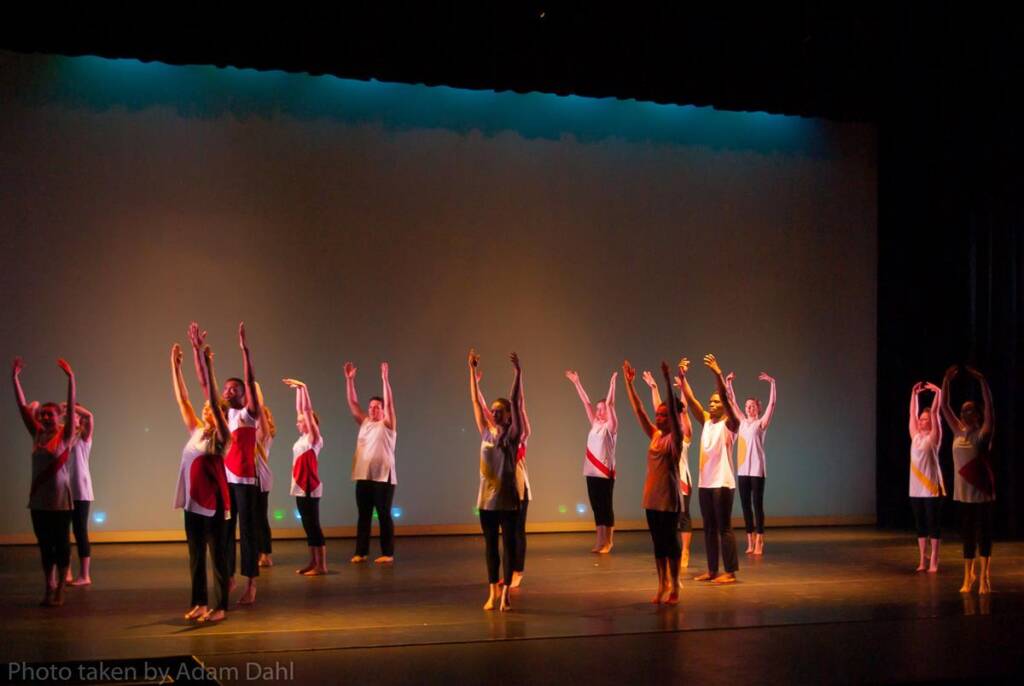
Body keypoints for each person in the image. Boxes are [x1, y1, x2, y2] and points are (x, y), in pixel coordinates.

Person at [171, 342, 232, 623]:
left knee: (218, 557)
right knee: (195, 556)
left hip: (215, 506)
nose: (206, 409)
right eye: (206, 407)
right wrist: (176, 365)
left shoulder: (222, 437)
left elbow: (219, 410)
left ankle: (220, 607)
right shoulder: (197, 431)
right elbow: (183, 400)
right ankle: (199, 603)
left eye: (211, 407)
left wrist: (208, 365)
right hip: (193, 504)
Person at [12, 356, 77, 607]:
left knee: (61, 547)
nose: (46, 418)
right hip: (38, 502)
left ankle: (61, 586)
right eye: (43, 415)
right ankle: (48, 585)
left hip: (60, 503)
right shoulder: (37, 435)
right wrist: (15, 378)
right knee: (44, 547)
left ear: (59, 416)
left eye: (50, 414)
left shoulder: (65, 435)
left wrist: (71, 379)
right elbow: (21, 407)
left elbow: (71, 409)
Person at [623, 360, 684, 604]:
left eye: (662, 415)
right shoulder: (655, 435)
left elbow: (674, 416)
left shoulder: (674, 439)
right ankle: (662, 584)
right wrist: (630, 384)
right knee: (658, 545)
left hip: (669, 499)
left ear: (671, 418)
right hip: (651, 498)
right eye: (657, 415)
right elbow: (638, 410)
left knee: (671, 545)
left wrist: (667, 380)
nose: (658, 418)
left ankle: (676, 583)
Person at [468, 349, 524, 611]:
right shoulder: (486, 433)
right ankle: (492, 593)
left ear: (508, 415)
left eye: (499, 411)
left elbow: (515, 402)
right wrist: (471, 371)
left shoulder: (512, 435)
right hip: (486, 501)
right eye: (493, 410)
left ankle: (506, 594)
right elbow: (475, 403)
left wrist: (517, 375)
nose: (494, 413)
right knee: (490, 548)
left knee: (508, 548)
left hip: (508, 501)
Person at [679, 354, 741, 584]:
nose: (711, 404)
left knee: (724, 528)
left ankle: (731, 572)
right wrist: (682, 378)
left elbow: (725, 396)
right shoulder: (706, 420)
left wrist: (717, 373)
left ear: (724, 406)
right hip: (705, 483)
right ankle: (713, 570)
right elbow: (691, 399)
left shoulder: (731, 423)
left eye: (716, 402)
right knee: (708, 529)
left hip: (722, 483)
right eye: (711, 401)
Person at [940, 365, 995, 594]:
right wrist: (946, 381)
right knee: (967, 537)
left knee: (984, 536)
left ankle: (984, 578)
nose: (965, 413)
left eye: (970, 410)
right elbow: (943, 406)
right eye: (963, 411)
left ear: (977, 414)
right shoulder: (957, 431)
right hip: (963, 494)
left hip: (981, 492)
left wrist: (982, 380)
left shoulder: (982, 433)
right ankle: (967, 577)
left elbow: (991, 407)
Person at [344, 361, 398, 563]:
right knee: (363, 515)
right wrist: (349, 380)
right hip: (363, 476)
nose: (373, 410)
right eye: (371, 407)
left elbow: (390, 404)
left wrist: (385, 380)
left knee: (384, 514)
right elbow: (353, 403)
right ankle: (361, 551)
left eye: (377, 407)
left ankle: (387, 553)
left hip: (383, 476)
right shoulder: (365, 422)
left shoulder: (388, 424)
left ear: (383, 410)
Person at [723, 371, 777, 555]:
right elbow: (732, 402)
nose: (749, 409)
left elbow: (772, 404)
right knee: (745, 505)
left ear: (758, 409)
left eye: (752, 406)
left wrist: (772, 384)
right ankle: (750, 541)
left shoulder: (761, 423)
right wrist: (728, 383)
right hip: (743, 470)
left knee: (757, 504)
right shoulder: (743, 422)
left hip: (757, 470)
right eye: (747, 406)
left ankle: (760, 540)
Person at [566, 370, 618, 554]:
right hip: (591, 472)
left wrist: (612, 385)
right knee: (596, 508)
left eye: (602, 408)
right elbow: (585, 402)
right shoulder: (595, 424)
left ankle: (608, 541)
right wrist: (576, 382)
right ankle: (599, 541)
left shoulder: (610, 427)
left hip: (605, 472)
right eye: (598, 409)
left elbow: (611, 403)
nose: (599, 411)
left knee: (606, 507)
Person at [284, 379, 327, 575]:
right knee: (308, 527)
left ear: (311, 424)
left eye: (301, 422)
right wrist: (298, 391)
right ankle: (312, 563)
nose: (298, 422)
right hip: (299, 485)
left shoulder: (314, 439)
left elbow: (307, 411)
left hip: (310, 485)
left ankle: (322, 566)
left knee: (314, 526)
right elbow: (300, 410)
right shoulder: (302, 439)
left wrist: (304, 387)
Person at [906, 381, 944, 572]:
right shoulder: (916, 437)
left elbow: (937, 412)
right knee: (920, 524)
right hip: (915, 488)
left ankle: (934, 558)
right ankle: (922, 559)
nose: (922, 421)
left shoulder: (934, 437)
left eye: (925, 419)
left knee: (932, 523)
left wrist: (938, 392)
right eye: (921, 419)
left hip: (931, 488)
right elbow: (912, 414)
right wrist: (914, 395)